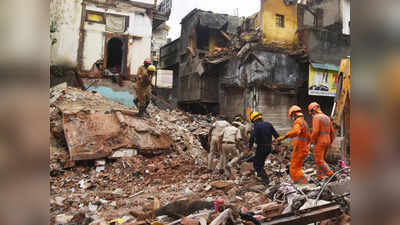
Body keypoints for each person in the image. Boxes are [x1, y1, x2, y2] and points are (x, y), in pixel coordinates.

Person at [274, 105, 311, 184]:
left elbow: (296, 132)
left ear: (294, 114)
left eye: (291, 116)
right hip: (303, 149)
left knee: (294, 169)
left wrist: (284, 137)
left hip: (299, 149)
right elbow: (309, 138)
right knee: (297, 168)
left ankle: (303, 184)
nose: (292, 118)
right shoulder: (304, 123)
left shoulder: (298, 122)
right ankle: (302, 184)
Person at [248, 111, 280, 185]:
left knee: (256, 165)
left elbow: (252, 137)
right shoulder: (269, 124)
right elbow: (276, 135)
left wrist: (250, 147)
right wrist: (279, 144)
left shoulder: (256, 126)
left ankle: (265, 181)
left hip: (261, 148)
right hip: (269, 148)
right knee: (260, 162)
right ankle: (261, 177)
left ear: (254, 119)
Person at [308, 102, 336, 181]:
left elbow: (315, 131)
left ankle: (331, 175)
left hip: (320, 141)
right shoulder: (327, 117)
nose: (312, 115)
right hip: (327, 140)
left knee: (318, 160)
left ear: (313, 110)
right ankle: (319, 177)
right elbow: (332, 132)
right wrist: (330, 142)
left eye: (311, 113)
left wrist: (311, 142)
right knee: (321, 160)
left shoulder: (316, 117)